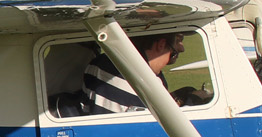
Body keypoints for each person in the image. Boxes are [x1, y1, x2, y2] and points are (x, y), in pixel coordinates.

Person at [80, 33, 209, 113]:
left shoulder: (108, 61)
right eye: (178, 41)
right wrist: (194, 100)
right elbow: (162, 131)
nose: (182, 48)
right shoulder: (130, 79)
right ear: (161, 44)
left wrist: (176, 96)